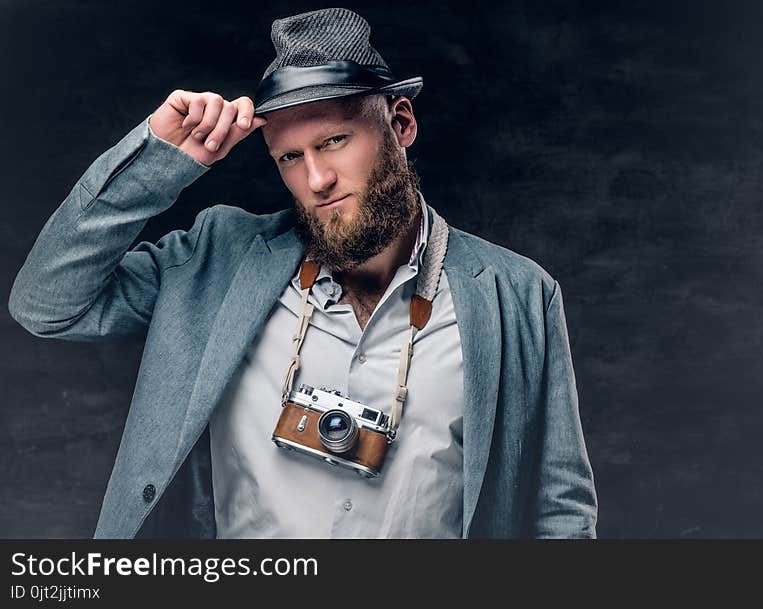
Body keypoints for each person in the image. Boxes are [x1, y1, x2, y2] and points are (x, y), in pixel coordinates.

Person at [8, 7, 597, 538]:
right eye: (290, 157)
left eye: (335, 140)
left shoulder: (518, 294)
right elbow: (47, 304)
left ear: (401, 124)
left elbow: (558, 509)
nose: (316, 180)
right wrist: (159, 162)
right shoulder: (218, 257)